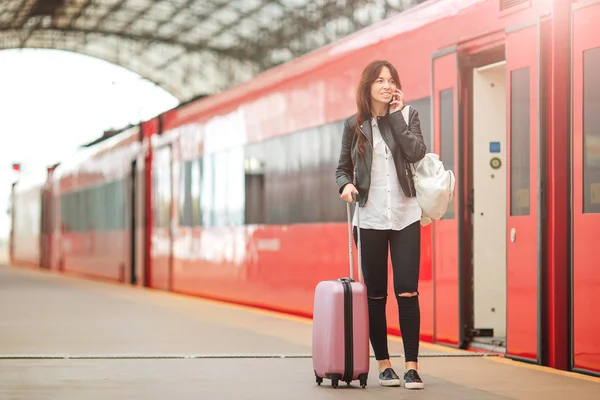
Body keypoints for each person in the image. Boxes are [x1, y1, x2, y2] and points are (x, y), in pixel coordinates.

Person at [335, 60, 426, 389]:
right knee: (375, 295)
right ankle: (384, 363)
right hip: (369, 217)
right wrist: (345, 185)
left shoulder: (408, 115)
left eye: (391, 80)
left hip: (406, 215)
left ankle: (412, 366)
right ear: (368, 86)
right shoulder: (353, 125)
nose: (386, 85)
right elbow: (342, 168)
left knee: (407, 289)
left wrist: (397, 117)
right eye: (380, 80)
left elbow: (416, 153)